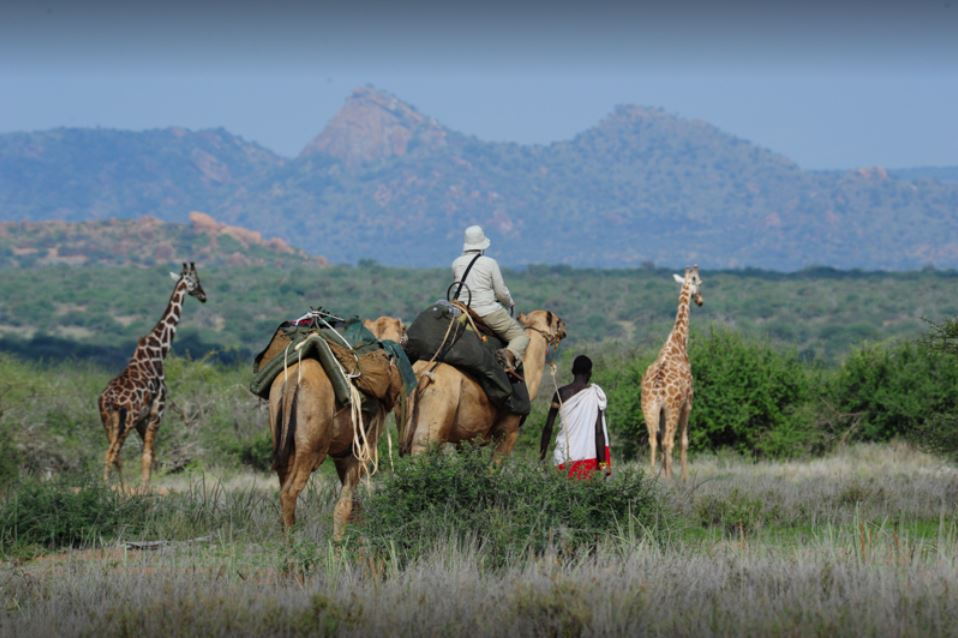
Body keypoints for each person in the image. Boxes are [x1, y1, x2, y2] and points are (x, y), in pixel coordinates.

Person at [451, 225, 529, 371]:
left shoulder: (456, 263)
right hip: (487, 312)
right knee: (521, 336)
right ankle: (508, 354)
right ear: (482, 245)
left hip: (463, 312)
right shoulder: (490, 262)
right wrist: (509, 302)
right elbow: (500, 292)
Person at [539, 355, 612, 479]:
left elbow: (548, 428)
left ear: (573, 371)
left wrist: (541, 457)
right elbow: (599, 432)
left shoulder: (560, 393)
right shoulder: (595, 394)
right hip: (587, 460)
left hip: (563, 457)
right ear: (590, 372)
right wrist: (603, 464)